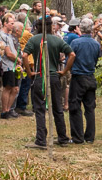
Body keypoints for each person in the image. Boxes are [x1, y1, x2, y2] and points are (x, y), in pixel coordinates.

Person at [22, 17, 76, 148]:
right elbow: (72, 54)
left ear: (38, 26)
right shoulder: (57, 39)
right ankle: (62, 138)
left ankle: (41, 140)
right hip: (54, 77)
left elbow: (24, 55)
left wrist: (29, 72)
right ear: (50, 25)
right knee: (58, 108)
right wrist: (64, 71)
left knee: (40, 109)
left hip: (40, 76)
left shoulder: (34, 39)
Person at [68, 17, 101, 144]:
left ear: (80, 28)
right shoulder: (96, 44)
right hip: (90, 76)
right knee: (90, 108)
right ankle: (90, 136)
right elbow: (96, 59)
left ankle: (77, 137)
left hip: (78, 76)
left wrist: (68, 69)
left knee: (75, 106)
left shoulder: (76, 43)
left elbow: (70, 58)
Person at [0, 13, 20, 120]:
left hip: (14, 66)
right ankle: (4, 111)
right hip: (7, 65)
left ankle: (9, 109)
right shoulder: (1, 35)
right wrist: (18, 59)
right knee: (8, 87)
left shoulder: (10, 36)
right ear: (5, 24)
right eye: (11, 23)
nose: (13, 25)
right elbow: (8, 53)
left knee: (15, 89)